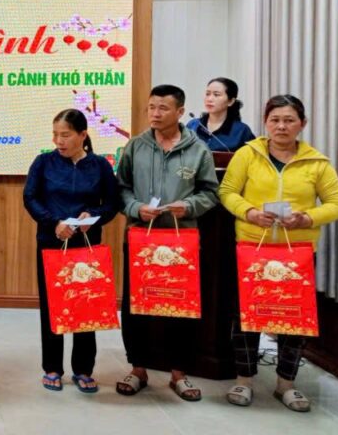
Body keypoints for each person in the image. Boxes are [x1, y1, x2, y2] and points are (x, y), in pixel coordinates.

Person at [218, 94, 338, 412]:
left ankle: (286, 384)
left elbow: (337, 204)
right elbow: (227, 192)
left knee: (294, 320)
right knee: (246, 317)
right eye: (275, 119)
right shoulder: (247, 154)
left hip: (296, 254)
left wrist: (307, 218)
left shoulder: (317, 163)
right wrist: (249, 212)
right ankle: (244, 379)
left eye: (289, 120)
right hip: (253, 249)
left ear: (302, 124)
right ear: (266, 122)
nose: (281, 126)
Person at [115, 84, 219, 401]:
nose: (155, 114)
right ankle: (138, 369)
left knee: (180, 307)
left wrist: (189, 206)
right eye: (151, 107)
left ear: (180, 111)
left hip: (180, 241)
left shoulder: (198, 150)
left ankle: (179, 374)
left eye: (163, 108)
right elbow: (121, 188)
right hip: (141, 238)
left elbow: (210, 193)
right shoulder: (136, 146)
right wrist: (136, 208)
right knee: (136, 307)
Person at [24, 109, 121, 393]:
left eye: (65, 135)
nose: (59, 141)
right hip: (52, 242)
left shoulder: (100, 165)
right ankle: (52, 367)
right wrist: (54, 222)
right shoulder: (44, 162)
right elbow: (30, 197)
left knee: (86, 303)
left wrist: (94, 216)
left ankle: (83, 369)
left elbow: (112, 203)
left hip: (86, 245)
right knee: (52, 305)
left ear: (83, 135)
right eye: (55, 134)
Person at [186, 77, 256, 152]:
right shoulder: (193, 125)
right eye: (207, 94)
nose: (209, 99)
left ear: (230, 101)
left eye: (216, 95)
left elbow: (252, 156)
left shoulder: (242, 131)